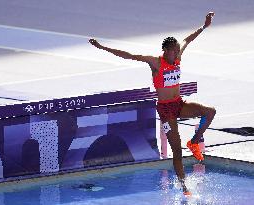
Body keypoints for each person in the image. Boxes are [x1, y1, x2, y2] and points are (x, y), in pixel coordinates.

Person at [89, 12, 216, 196]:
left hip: (179, 103)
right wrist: (102, 47)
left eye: (178, 49)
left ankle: (194, 142)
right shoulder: (156, 62)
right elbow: (129, 55)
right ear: (166, 50)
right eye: (174, 50)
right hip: (166, 110)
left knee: (210, 112)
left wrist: (204, 26)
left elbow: (189, 39)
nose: (177, 53)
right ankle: (184, 187)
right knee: (176, 151)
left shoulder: (178, 57)